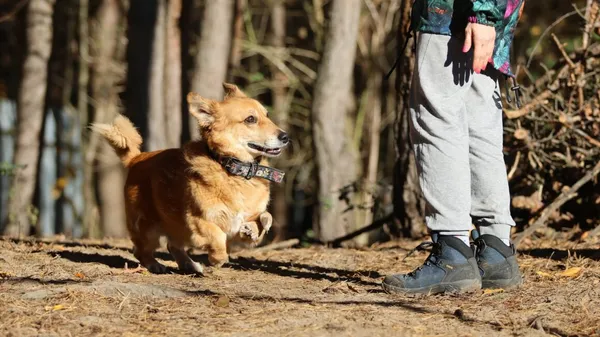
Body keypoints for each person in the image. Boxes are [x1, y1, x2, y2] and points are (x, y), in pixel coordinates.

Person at [382, 0, 526, 294]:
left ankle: (452, 254)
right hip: (485, 12)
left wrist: (482, 14)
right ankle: (496, 251)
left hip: (453, 10)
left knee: (438, 116)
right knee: (478, 120)